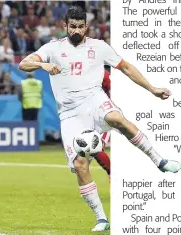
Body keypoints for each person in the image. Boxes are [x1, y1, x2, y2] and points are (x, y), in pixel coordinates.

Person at [18, 5, 181, 232]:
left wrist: (152, 89)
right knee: (80, 165)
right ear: (65, 26)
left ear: (86, 27)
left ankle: (159, 161)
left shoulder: (100, 47)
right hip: (70, 114)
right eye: (72, 26)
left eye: (80, 26)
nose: (76, 30)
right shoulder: (52, 48)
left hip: (95, 100)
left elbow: (126, 68)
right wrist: (42, 64)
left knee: (116, 118)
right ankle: (101, 219)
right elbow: (23, 63)